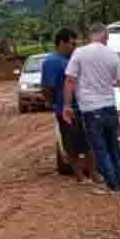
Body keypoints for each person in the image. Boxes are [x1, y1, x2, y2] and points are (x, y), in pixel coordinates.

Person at [62, 24, 120, 195]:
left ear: (91, 36)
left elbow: (70, 80)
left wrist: (67, 105)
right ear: (104, 36)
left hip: (91, 110)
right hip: (110, 108)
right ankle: (119, 183)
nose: (108, 41)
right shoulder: (113, 55)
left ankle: (113, 186)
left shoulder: (79, 53)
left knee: (100, 150)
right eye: (107, 38)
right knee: (114, 148)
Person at [41, 28, 101, 185]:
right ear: (61, 43)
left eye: (76, 44)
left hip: (84, 108)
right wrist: (55, 105)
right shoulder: (51, 62)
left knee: (89, 142)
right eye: (72, 43)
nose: (75, 47)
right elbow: (47, 88)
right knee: (71, 144)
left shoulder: (75, 58)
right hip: (66, 111)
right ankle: (80, 176)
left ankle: (93, 173)